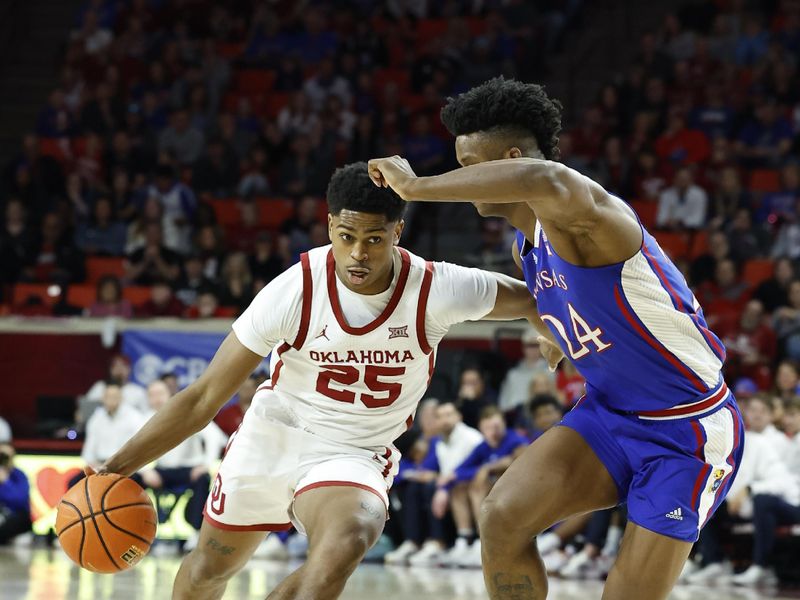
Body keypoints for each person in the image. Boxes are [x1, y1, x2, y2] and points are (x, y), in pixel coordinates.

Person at [94, 162, 561, 600]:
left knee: (344, 545)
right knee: (207, 571)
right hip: (275, 435)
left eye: (375, 239)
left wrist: (550, 332)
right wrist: (111, 471)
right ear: (330, 225)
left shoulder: (436, 289)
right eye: (347, 236)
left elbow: (531, 299)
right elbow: (202, 399)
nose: (358, 254)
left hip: (354, 453)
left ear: (398, 232)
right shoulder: (294, 289)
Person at [368, 76, 743, 600]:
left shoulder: (589, 216)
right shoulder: (528, 245)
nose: (462, 180)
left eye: (470, 167)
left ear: (513, 160)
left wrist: (417, 187)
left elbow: (548, 180)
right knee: (502, 516)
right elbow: (570, 304)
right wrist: (552, 329)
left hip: (687, 432)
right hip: (609, 416)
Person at [387, 399, 484, 567]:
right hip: (450, 485)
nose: (445, 420)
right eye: (440, 416)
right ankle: (414, 541)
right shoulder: (439, 441)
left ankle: (443, 542)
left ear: (459, 416)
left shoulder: (471, 438)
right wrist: (429, 476)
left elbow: (476, 467)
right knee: (414, 488)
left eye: (449, 415)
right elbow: (430, 469)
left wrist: (443, 485)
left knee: (437, 488)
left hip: (471, 485)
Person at [431, 406, 530, 568]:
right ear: (482, 429)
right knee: (459, 488)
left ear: (504, 424)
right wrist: (447, 483)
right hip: (495, 496)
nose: (493, 432)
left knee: (479, 486)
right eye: (488, 428)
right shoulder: (484, 446)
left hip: (518, 493)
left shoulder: (515, 440)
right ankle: (465, 540)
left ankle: (484, 541)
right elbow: (461, 469)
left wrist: (488, 467)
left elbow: (518, 459)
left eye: (496, 427)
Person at [135, 380, 225, 551]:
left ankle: (196, 533)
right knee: (134, 479)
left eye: (160, 394)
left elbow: (215, 437)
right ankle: (135, 530)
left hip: (189, 469)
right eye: (152, 395)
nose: (157, 399)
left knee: (203, 479)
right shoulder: (143, 419)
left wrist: (205, 464)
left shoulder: (185, 412)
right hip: (162, 470)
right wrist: (146, 471)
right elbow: (133, 448)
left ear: (169, 394)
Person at [0, 443, 31, 545]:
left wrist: (6, 482)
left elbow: (21, 500)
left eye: (6, 457)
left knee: (20, 519)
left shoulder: (19, 475)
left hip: (15, 517)